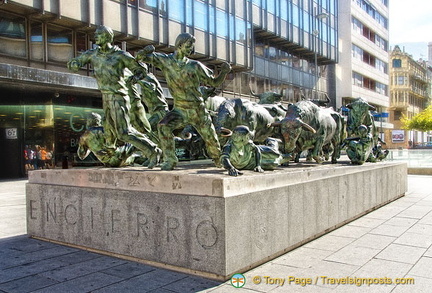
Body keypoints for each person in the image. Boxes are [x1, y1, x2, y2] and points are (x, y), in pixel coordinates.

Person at [67, 25, 161, 168]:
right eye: (95, 35)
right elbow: (76, 62)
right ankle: (114, 149)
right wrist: (73, 64)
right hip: (106, 97)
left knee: (124, 133)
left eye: (99, 34)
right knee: (109, 128)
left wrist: (134, 78)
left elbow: (141, 69)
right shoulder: (93, 54)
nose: (96, 37)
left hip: (119, 97)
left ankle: (153, 151)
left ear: (108, 37)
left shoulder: (120, 55)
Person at [136, 33, 231, 170]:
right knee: (163, 126)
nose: (191, 49)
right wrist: (145, 51)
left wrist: (223, 73)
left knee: (210, 138)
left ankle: (218, 159)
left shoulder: (195, 66)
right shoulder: (165, 60)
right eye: (188, 45)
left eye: (192, 46)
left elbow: (214, 81)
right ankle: (170, 159)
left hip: (197, 109)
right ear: (179, 45)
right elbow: (139, 58)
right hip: (179, 109)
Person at [78, 113, 144, 167]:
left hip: (107, 162)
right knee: (132, 143)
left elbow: (81, 155)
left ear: (88, 122)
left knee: (134, 156)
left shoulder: (84, 137)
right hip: (118, 157)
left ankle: (144, 157)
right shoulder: (105, 130)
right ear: (98, 122)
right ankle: (149, 155)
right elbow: (121, 142)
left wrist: (89, 146)